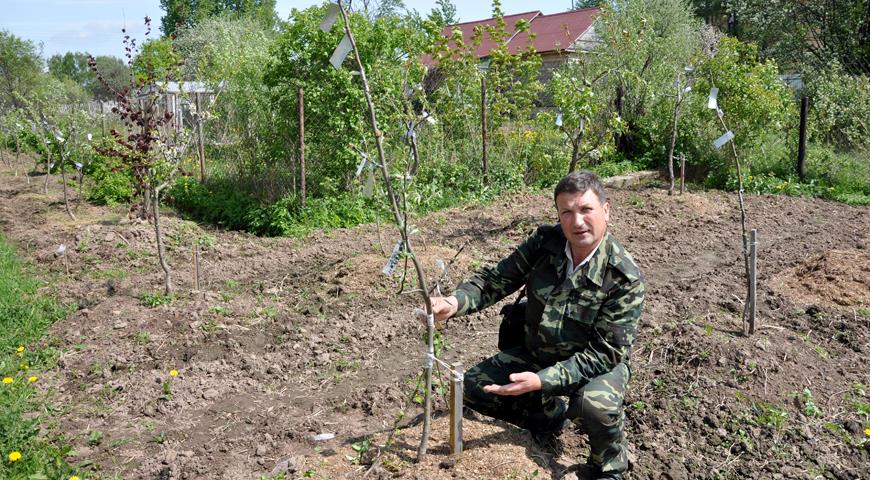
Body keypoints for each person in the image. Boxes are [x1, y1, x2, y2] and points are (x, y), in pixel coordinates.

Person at [430, 171, 645, 480]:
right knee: (472, 388)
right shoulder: (546, 242)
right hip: (538, 351)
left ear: (606, 211)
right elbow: (496, 279)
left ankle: (609, 467)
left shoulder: (624, 277)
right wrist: (453, 302)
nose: (577, 221)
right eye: (566, 212)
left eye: (586, 210)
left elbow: (604, 353)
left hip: (594, 364)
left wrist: (543, 381)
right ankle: (551, 419)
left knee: (596, 406)